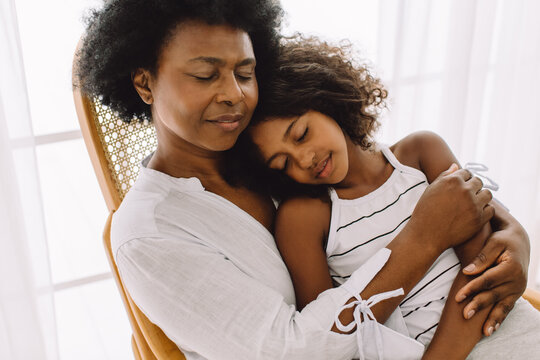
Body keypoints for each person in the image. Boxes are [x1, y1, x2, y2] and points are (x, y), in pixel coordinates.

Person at [75, 1, 531, 359]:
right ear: (144, 84)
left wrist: (514, 238)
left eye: (245, 72)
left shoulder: (258, 149)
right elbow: (294, 352)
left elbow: (404, 196)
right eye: (205, 74)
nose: (234, 95)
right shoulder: (150, 234)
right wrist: (424, 239)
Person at [240, 37, 540, 359]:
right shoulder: (304, 218)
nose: (304, 160)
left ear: (325, 101)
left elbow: (481, 265)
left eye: (301, 134)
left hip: (508, 329)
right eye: (283, 164)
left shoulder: (421, 154)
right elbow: (330, 340)